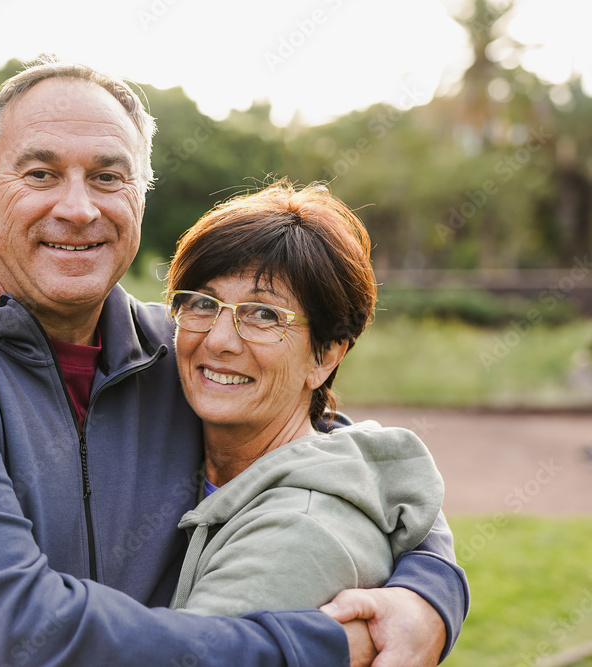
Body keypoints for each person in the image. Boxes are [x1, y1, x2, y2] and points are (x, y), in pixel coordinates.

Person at [0, 58, 468, 666]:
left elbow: (357, 465)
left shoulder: (178, 349)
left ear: (140, 198)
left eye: (108, 177)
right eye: (42, 174)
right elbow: (30, 632)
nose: (78, 208)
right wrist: (321, 649)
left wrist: (431, 593)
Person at [164, 180, 446, 619]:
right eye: (203, 303)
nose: (218, 340)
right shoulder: (175, 420)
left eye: (264, 314)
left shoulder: (303, 530)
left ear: (326, 356)